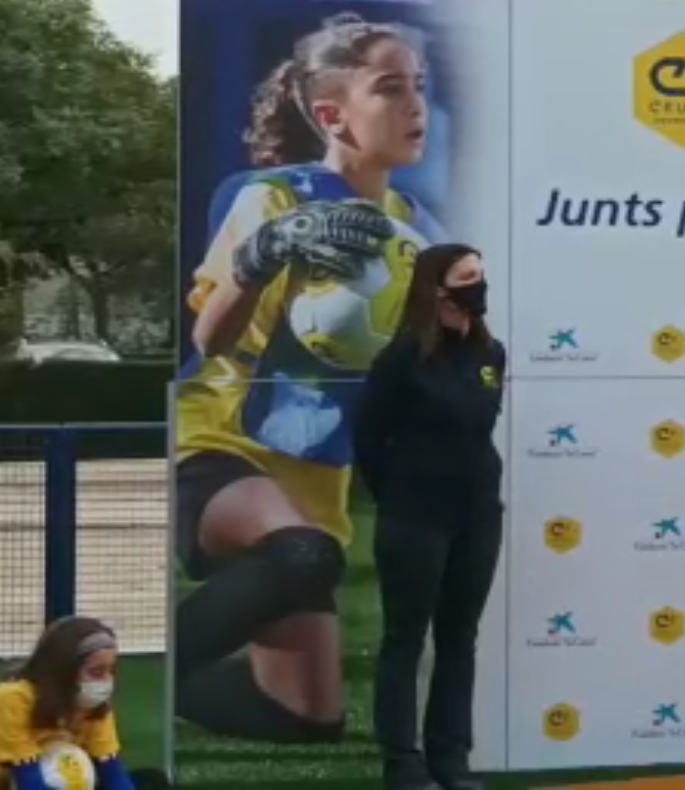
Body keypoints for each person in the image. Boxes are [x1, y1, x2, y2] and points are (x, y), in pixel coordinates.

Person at [173, 12, 443, 744]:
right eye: (389, 88)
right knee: (301, 554)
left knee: (307, 718)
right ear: (330, 115)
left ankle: (182, 693)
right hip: (221, 443)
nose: (415, 105)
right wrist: (265, 254)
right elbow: (210, 339)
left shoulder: (417, 228)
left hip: (314, 478)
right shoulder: (272, 198)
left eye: (419, 85)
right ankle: (130, 667)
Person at [354, 243, 504, 790]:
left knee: (460, 636)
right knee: (406, 638)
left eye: (481, 274)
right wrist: (398, 493)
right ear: (437, 289)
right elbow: (368, 439)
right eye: (467, 276)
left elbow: (481, 426)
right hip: (415, 516)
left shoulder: (490, 354)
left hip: (478, 513)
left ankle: (451, 757)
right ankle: (402, 761)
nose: (479, 285)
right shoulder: (401, 359)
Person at [0, 617, 156, 789]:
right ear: (63, 671)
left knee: (153, 779)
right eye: (96, 672)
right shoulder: (14, 698)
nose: (107, 680)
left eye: (111, 670)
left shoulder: (95, 707)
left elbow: (113, 773)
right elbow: (29, 779)